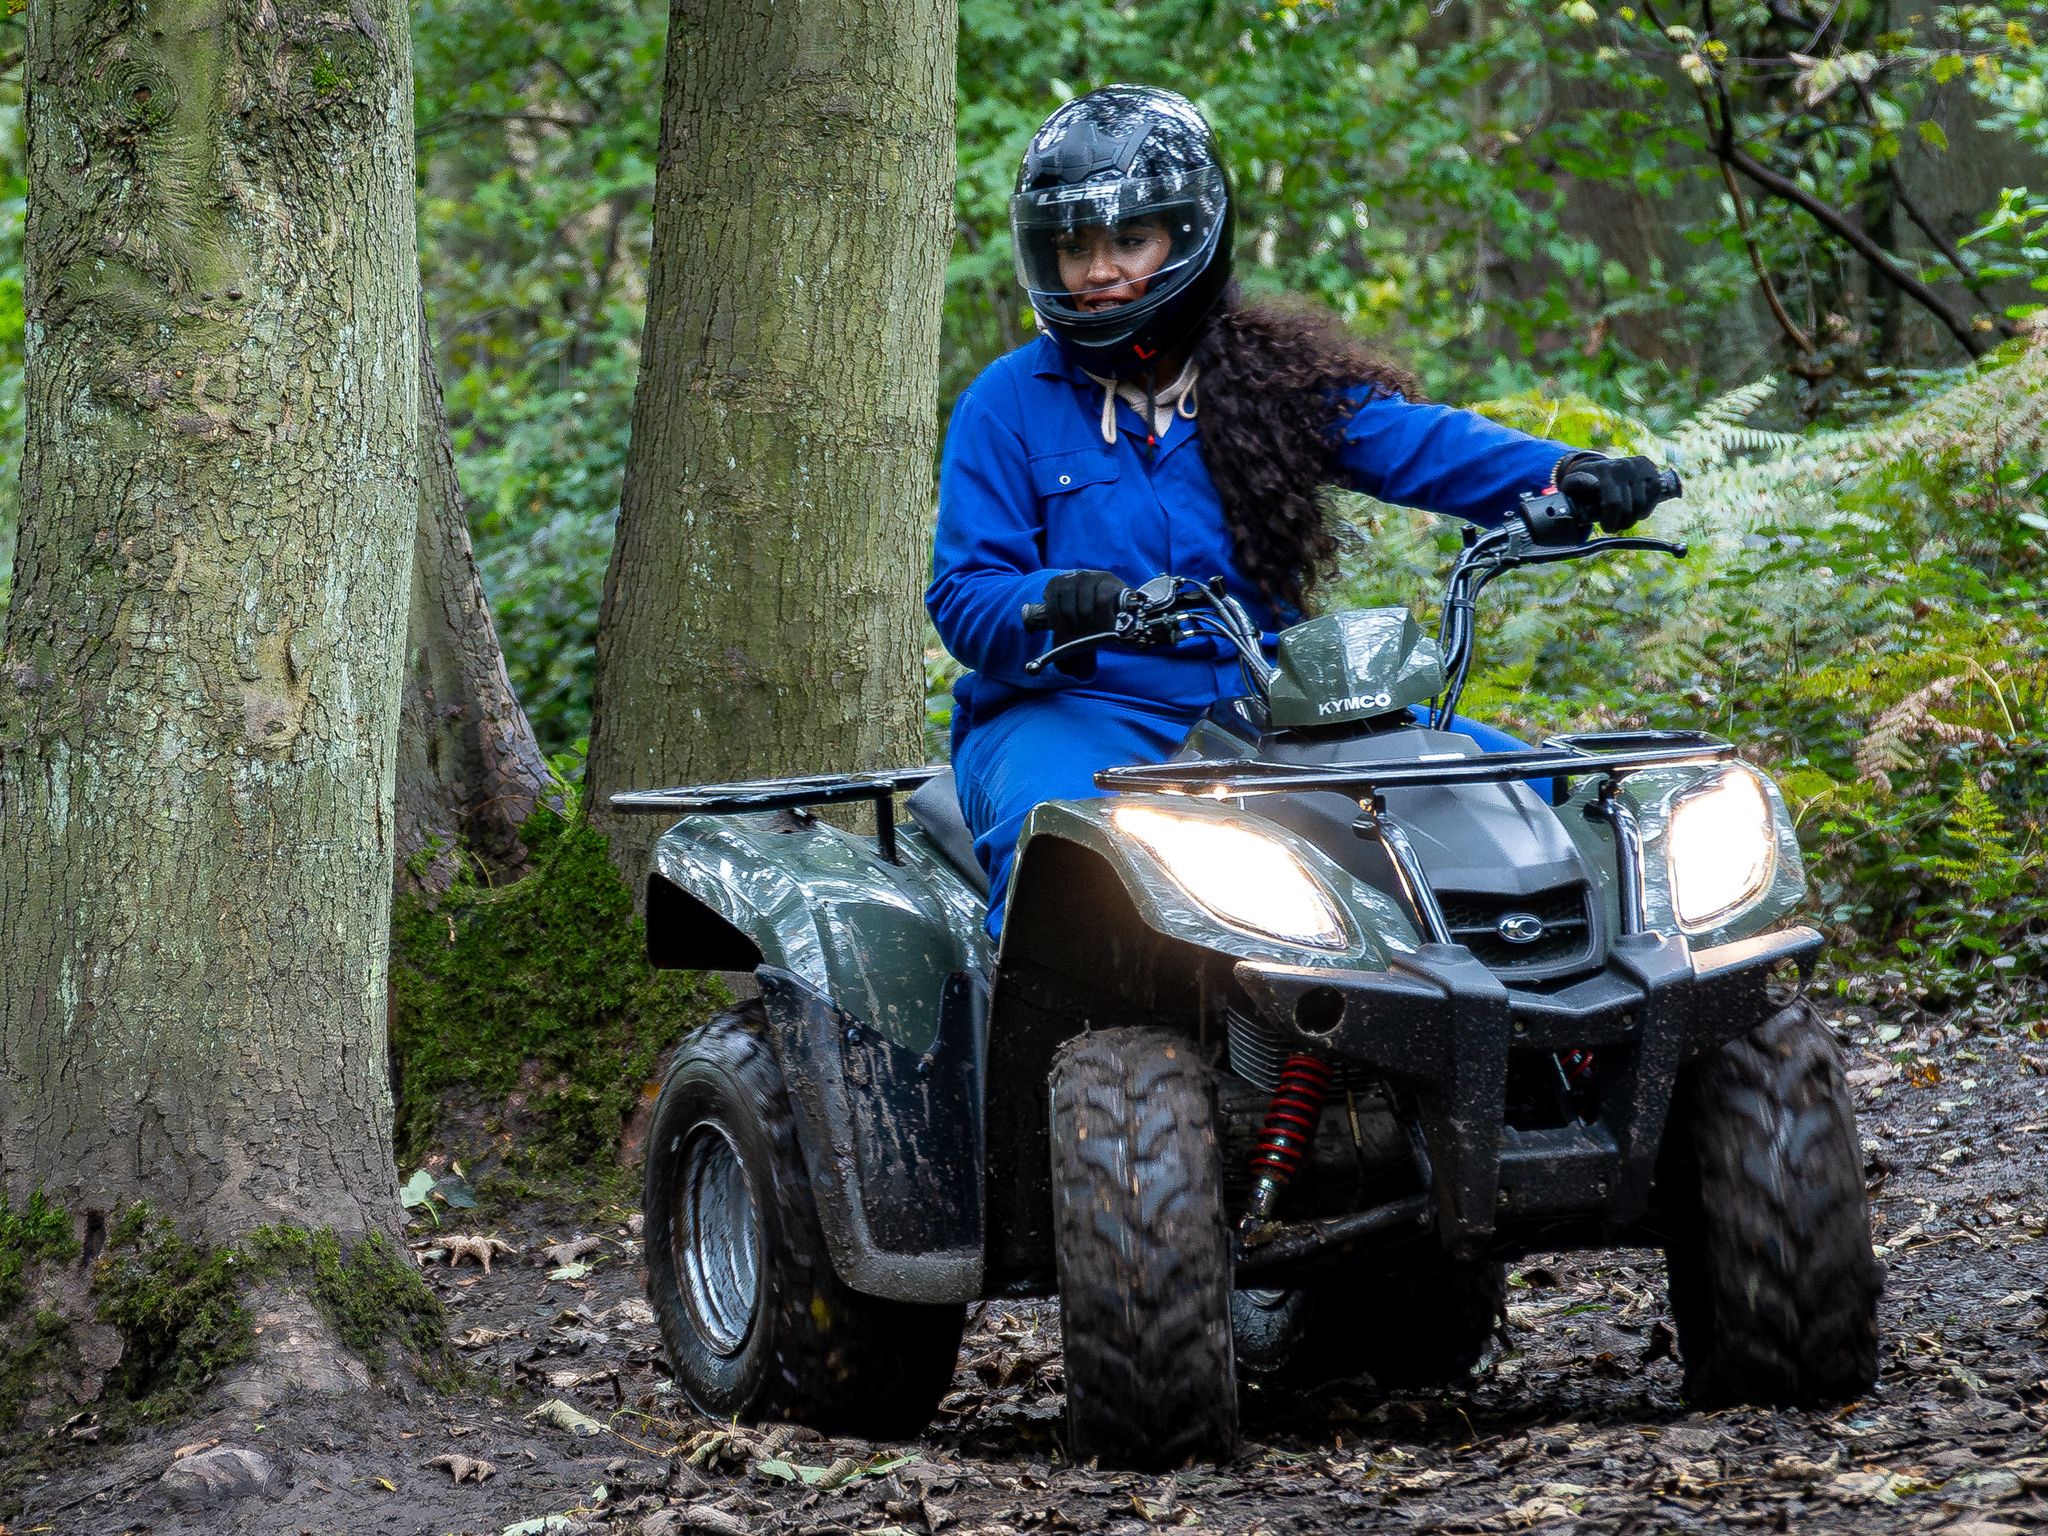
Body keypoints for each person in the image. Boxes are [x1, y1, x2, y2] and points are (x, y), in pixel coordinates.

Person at [926, 85, 1663, 937]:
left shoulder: (1269, 375)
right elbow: (965, 591)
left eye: (1131, 238)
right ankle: (1062, 1065)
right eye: (1075, 248)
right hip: (1072, 713)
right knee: (1065, 859)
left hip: (1272, 708)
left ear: (1190, 232)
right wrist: (1055, 599)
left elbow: (1423, 445)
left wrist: (1567, 472)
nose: (1098, 273)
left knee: (1556, 806)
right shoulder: (1006, 403)